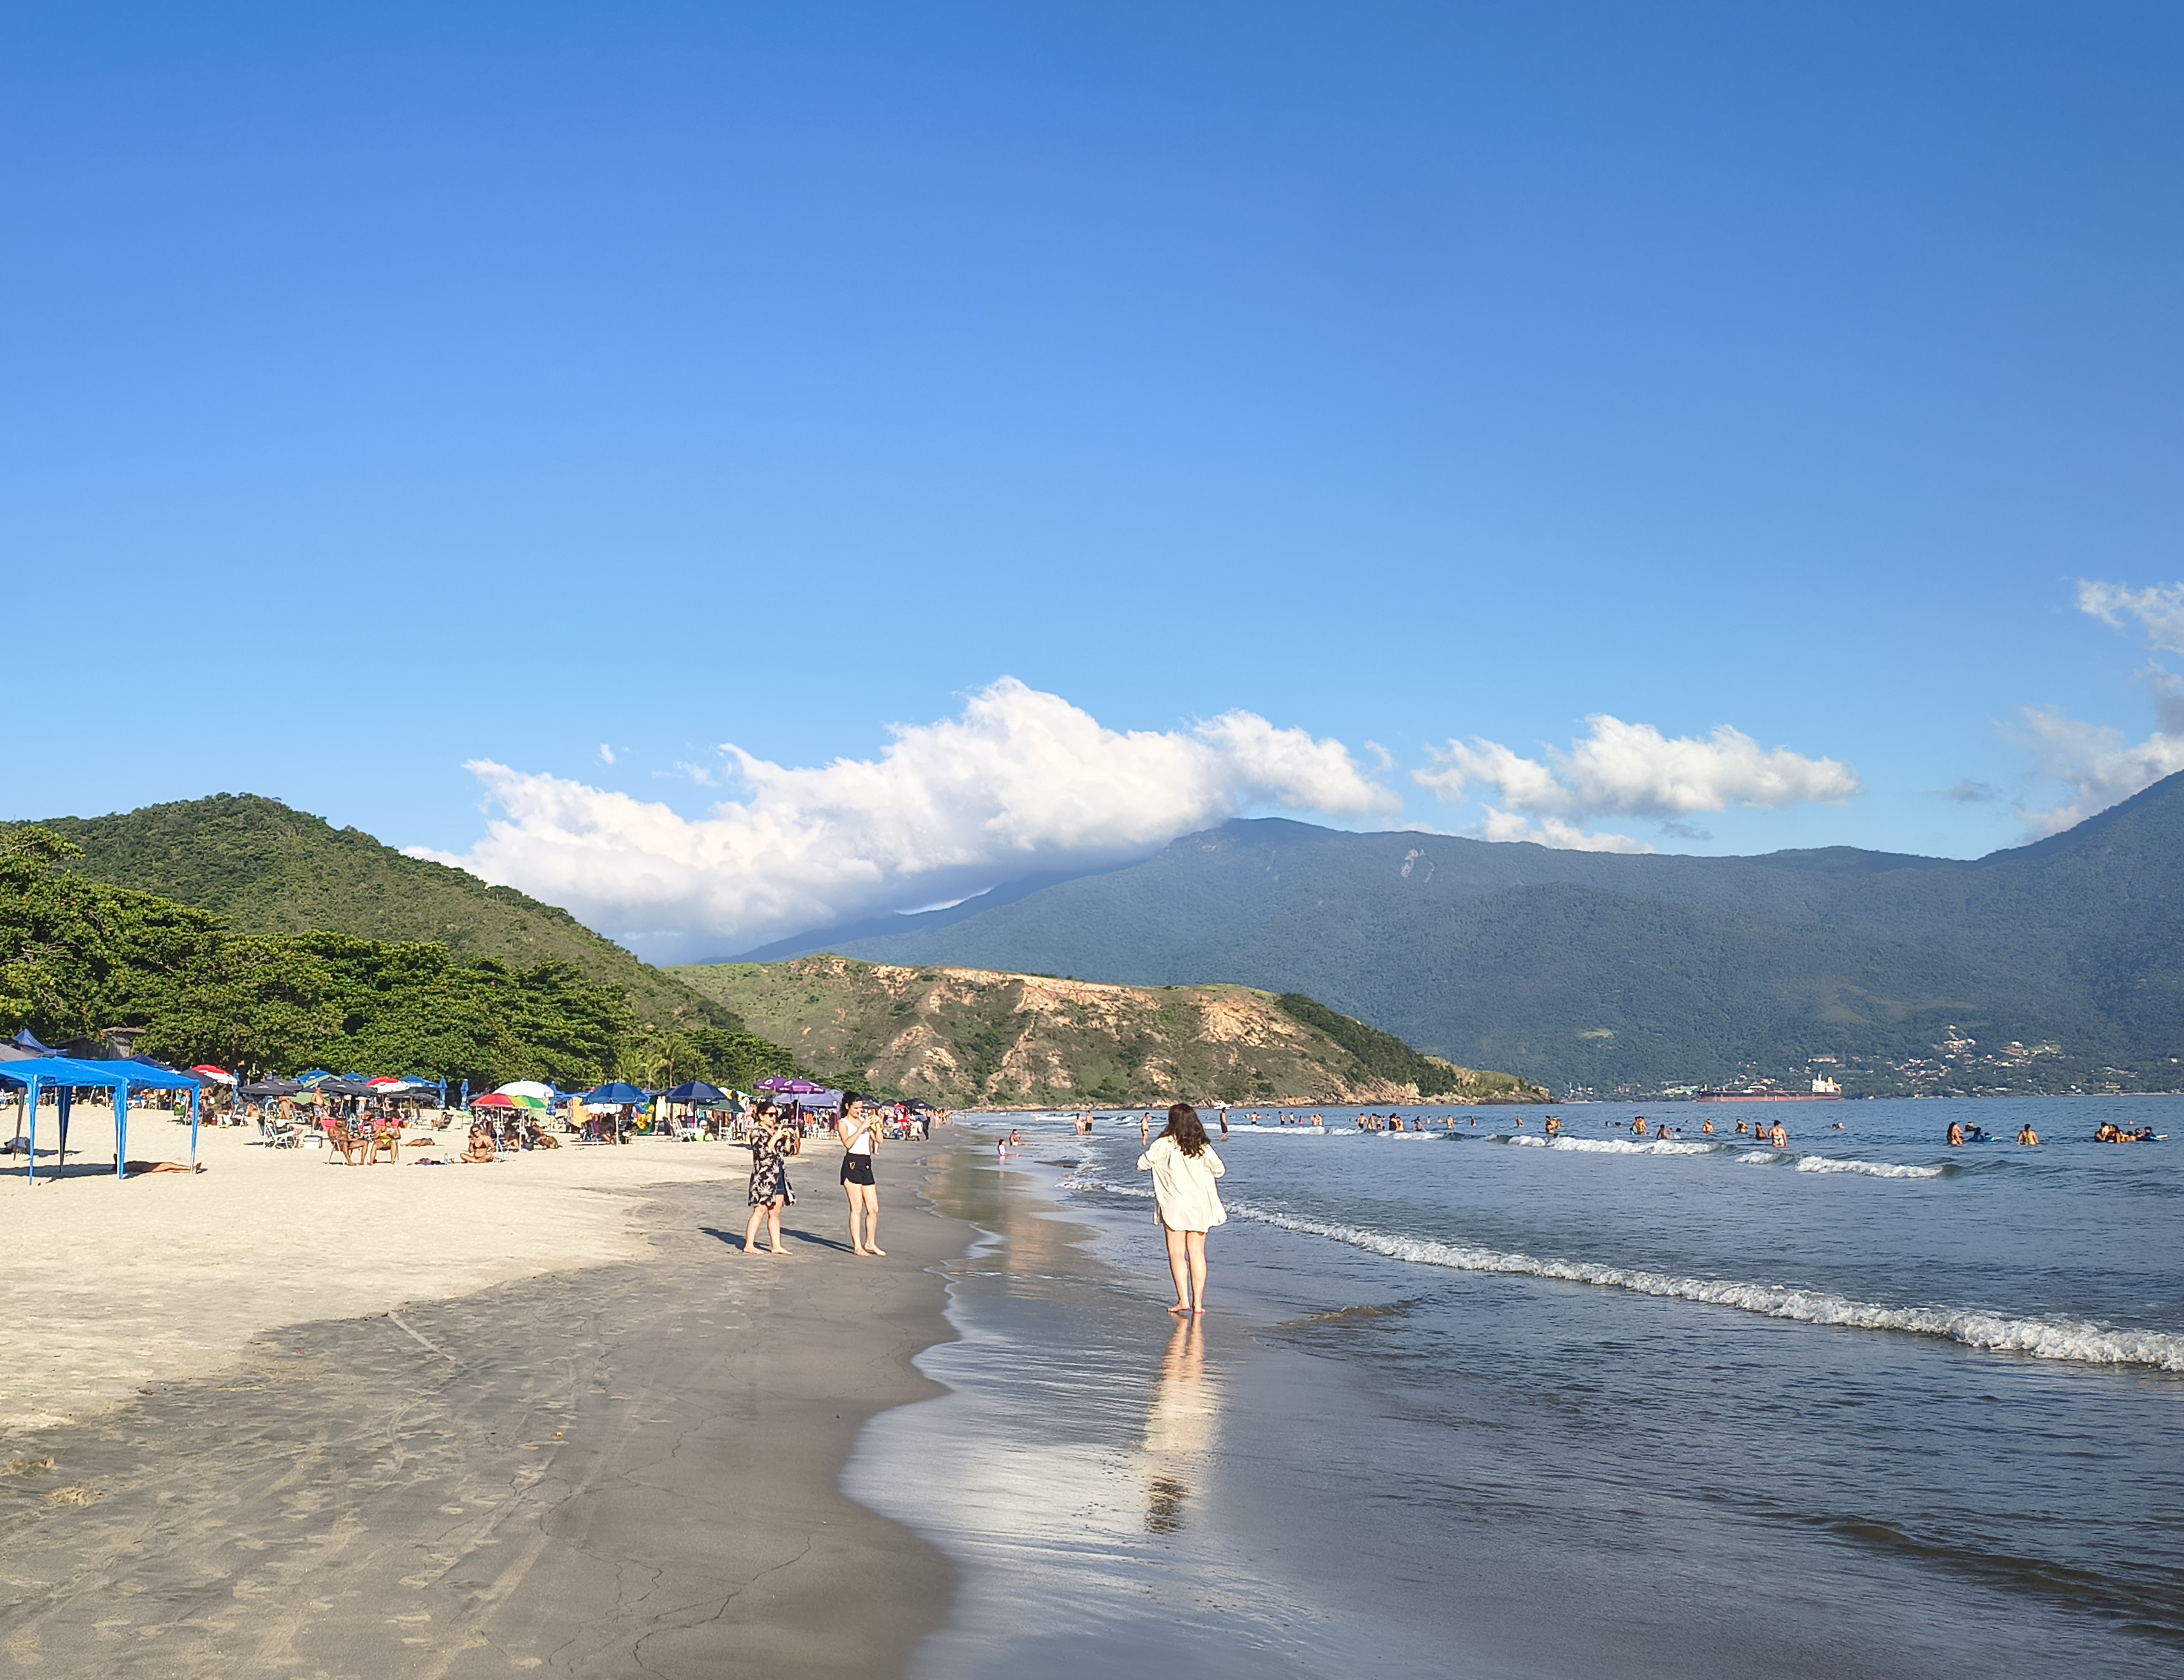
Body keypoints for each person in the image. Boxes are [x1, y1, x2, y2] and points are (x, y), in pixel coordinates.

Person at [1138, 1103, 1226, 1315]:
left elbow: (1142, 1164)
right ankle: (1198, 1304)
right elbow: (1220, 1170)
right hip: (1200, 1204)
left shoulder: (1164, 1143)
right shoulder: (1202, 1146)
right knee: (1197, 1253)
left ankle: (1183, 1300)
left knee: (1176, 1252)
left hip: (1174, 1203)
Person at [833, 1092, 886, 1257]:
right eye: (856, 1108)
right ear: (848, 1106)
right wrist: (862, 1127)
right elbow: (848, 1143)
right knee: (857, 1208)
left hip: (866, 1163)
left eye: (861, 1108)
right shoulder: (843, 1123)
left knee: (874, 1208)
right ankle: (857, 1246)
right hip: (852, 1163)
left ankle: (870, 1242)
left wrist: (878, 1124)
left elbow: (879, 1140)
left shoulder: (864, 1120)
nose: (859, 1111)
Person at [743, 1103, 798, 1256]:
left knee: (775, 1212)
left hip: (778, 1175)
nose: (774, 1118)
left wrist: (787, 1138)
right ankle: (749, 1244)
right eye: (771, 1115)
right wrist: (776, 1137)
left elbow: (786, 1152)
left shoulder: (775, 1132)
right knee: (760, 1210)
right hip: (763, 1177)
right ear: (761, 1116)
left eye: (776, 1115)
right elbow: (762, 1153)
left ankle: (776, 1245)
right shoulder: (757, 1133)